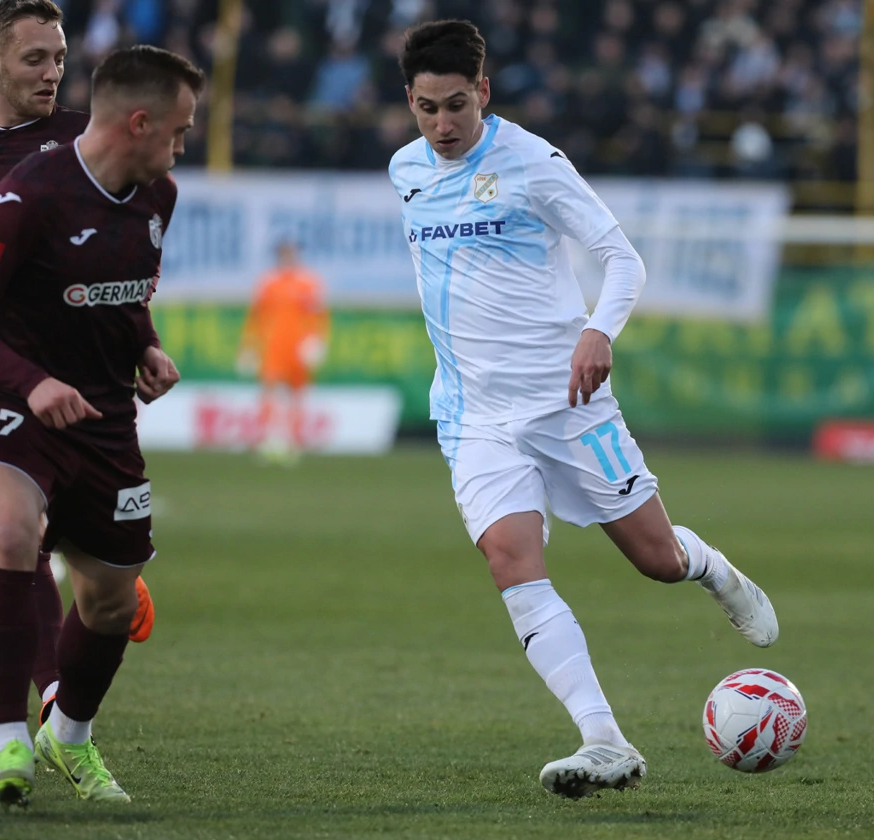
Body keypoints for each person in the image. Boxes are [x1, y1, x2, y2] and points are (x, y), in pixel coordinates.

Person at [389, 20, 779, 800]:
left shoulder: (533, 162)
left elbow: (621, 257)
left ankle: (712, 567)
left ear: (484, 93)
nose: (442, 124)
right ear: (410, 100)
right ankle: (603, 738)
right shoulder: (405, 170)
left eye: (457, 105)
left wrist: (599, 329)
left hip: (568, 406)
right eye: (427, 108)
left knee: (655, 559)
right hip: (473, 415)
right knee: (510, 560)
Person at [0, 43, 203, 806]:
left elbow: (121, 296)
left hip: (102, 416)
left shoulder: (158, 197)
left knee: (113, 603)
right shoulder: (31, 193)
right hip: (8, 398)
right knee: (12, 536)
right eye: (180, 130)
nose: (184, 145)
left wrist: (147, 348)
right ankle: (9, 742)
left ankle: (69, 733)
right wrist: (31, 382)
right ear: (138, 121)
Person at [237, 238, 329, 465]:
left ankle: (294, 444)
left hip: (297, 348)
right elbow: (256, 317)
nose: (287, 257)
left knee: (297, 396)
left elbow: (318, 316)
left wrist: (317, 341)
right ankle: (267, 441)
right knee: (269, 393)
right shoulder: (269, 283)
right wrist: (249, 346)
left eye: (290, 252)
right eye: (283, 253)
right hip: (274, 347)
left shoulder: (308, 283)